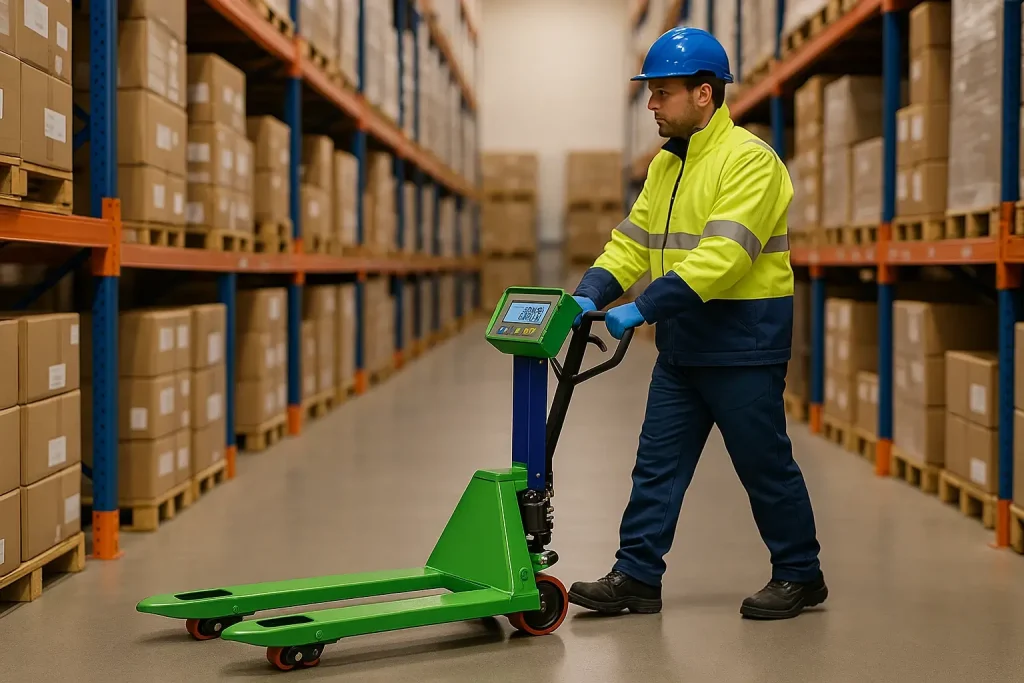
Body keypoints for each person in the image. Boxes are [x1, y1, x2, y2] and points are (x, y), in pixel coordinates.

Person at [566, 26, 826, 620]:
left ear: (704, 94)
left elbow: (724, 256)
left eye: (661, 93)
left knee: (763, 466)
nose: (651, 105)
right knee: (655, 466)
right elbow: (630, 241)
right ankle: (636, 575)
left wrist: (644, 307)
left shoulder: (751, 162)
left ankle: (800, 573)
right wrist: (590, 294)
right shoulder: (666, 166)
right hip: (684, 348)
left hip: (742, 345)